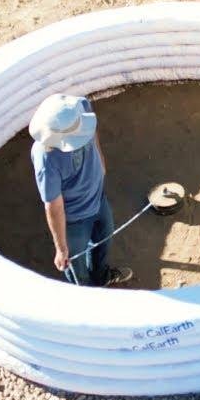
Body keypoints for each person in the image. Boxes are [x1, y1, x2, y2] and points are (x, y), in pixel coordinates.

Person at [28, 93, 132, 288]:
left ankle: (102, 276)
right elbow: (53, 206)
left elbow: (92, 130)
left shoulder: (80, 108)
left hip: (98, 200)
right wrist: (61, 248)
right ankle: (87, 296)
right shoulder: (46, 158)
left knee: (104, 240)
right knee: (76, 269)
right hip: (74, 220)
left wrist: (100, 159)